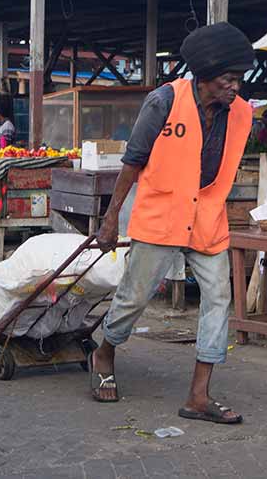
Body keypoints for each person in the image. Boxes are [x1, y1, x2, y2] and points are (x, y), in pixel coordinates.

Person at [90, 22, 255, 423]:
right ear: (203, 77)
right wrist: (110, 219)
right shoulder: (162, 102)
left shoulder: (242, 114)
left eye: (238, 79)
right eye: (227, 80)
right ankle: (104, 352)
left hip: (207, 218)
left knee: (218, 297)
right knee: (135, 298)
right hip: (162, 215)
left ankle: (199, 396)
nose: (234, 87)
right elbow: (132, 163)